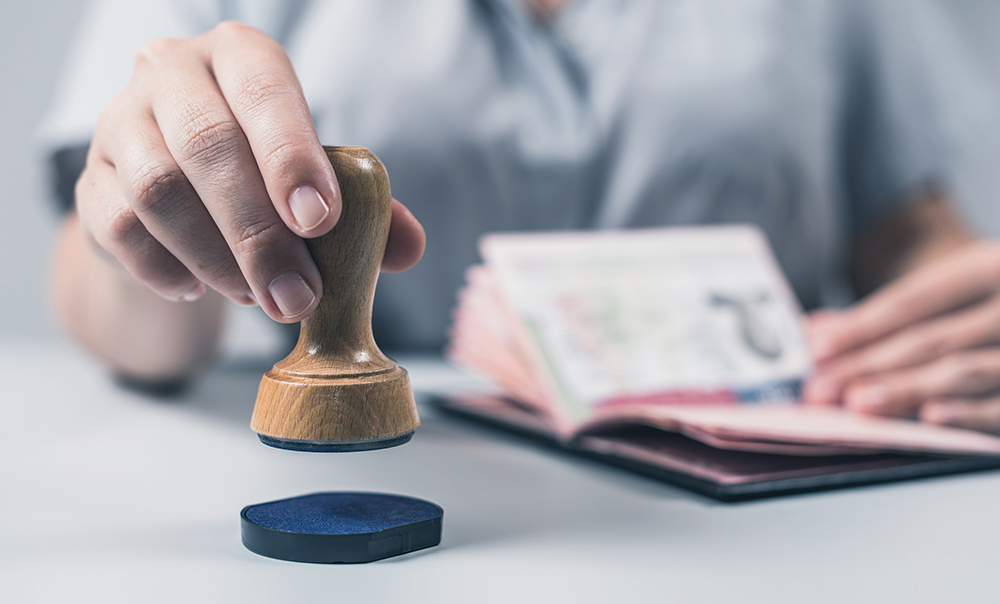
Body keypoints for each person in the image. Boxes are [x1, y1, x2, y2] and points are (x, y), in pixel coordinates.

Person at [41, 0, 1000, 433]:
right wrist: (138, 236)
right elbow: (114, 304)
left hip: (775, 497)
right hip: (384, 493)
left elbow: (907, 230)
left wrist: (956, 333)